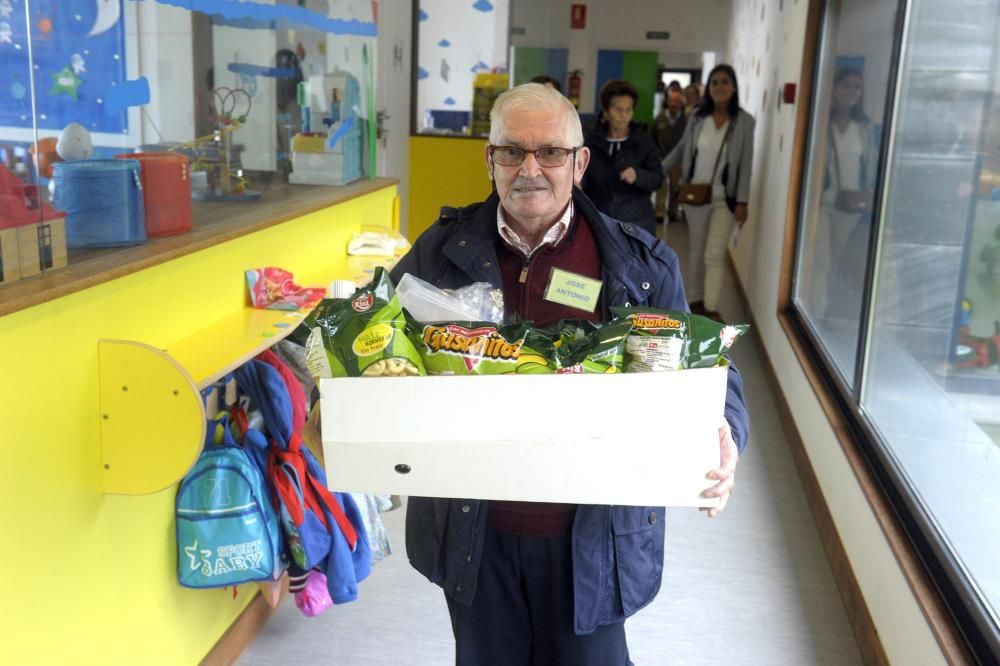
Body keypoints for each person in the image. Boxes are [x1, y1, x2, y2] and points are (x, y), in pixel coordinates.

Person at [390, 82, 749, 666]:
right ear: (490, 160)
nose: (531, 168)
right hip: (474, 534)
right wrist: (333, 398)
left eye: (550, 152)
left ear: (580, 163)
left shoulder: (641, 266)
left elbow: (710, 368)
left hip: (594, 539)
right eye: (512, 151)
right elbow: (371, 336)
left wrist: (725, 430)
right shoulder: (439, 253)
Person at [663, 64, 755, 322]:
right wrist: (657, 171)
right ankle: (693, 304)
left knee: (713, 253)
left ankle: (711, 309)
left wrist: (743, 201)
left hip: (725, 199)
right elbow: (681, 150)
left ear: (734, 86)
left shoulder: (744, 121)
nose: (720, 87)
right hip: (695, 196)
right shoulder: (697, 119)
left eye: (725, 81)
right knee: (695, 252)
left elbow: (746, 163)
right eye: (714, 82)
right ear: (709, 89)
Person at [814, 67, 878, 321]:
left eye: (857, 87)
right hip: (821, 203)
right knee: (821, 261)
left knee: (835, 262)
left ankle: (825, 308)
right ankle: (816, 312)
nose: (851, 92)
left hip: (850, 206)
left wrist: (870, 197)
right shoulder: (821, 123)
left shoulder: (864, 128)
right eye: (846, 85)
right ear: (834, 88)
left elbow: (871, 166)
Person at [581, 80, 663, 235]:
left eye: (629, 110)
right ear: (606, 111)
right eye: (618, 109)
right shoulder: (591, 141)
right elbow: (584, 175)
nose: (624, 115)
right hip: (599, 219)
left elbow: (658, 178)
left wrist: (638, 175)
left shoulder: (644, 141)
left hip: (636, 222)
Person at [652, 89, 688, 223]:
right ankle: (659, 212)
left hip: (678, 161)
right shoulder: (660, 118)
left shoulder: (686, 120)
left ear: (681, 103)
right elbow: (652, 137)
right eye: (671, 100)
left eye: (676, 101)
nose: (673, 104)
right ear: (667, 101)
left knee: (675, 187)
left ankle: (673, 212)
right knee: (661, 186)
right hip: (661, 158)